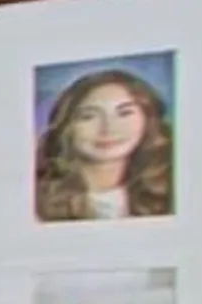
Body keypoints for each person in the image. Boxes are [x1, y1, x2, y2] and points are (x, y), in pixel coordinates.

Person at [34, 67, 175, 222]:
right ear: (67, 127)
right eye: (89, 116)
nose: (108, 128)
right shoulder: (34, 204)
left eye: (124, 113)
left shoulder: (169, 193)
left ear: (148, 121)